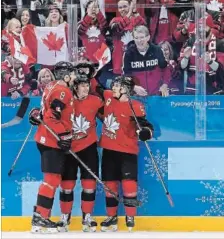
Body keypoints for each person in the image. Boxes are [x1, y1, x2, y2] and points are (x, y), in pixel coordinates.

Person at [97, 76, 153, 232]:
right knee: (110, 185)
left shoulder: (136, 106)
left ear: (124, 89)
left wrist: (146, 133)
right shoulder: (108, 97)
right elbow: (96, 87)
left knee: (129, 184)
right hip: (108, 150)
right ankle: (111, 217)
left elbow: (147, 126)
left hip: (127, 151)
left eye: (116, 86)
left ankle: (130, 216)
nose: (113, 88)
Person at [28, 61, 75, 233]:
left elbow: (44, 112)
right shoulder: (62, 90)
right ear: (66, 75)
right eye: (73, 73)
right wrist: (64, 135)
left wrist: (36, 114)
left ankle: (41, 217)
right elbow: (51, 117)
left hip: (46, 138)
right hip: (50, 140)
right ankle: (40, 217)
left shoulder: (51, 87)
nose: (75, 77)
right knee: (51, 180)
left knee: (52, 179)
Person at [56, 72, 103, 233]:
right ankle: (64, 217)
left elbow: (110, 114)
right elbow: (52, 115)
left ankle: (87, 217)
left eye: (87, 85)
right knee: (67, 185)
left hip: (88, 147)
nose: (86, 88)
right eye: (82, 85)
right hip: (69, 148)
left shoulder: (96, 101)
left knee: (89, 184)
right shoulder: (66, 100)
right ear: (75, 87)